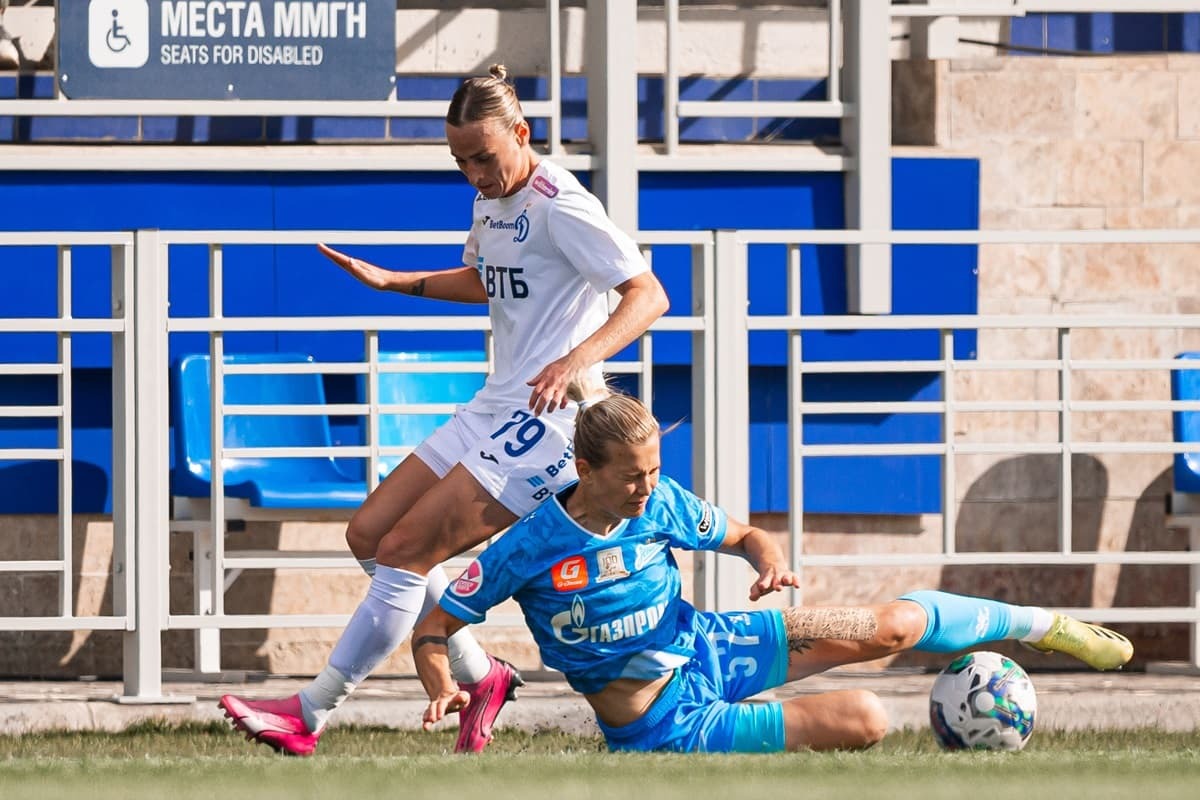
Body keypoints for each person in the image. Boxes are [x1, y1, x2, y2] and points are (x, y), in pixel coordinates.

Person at [218, 65, 670, 756]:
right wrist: (397, 281)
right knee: (369, 534)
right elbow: (491, 280)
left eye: (483, 158)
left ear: (522, 133)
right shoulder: (491, 202)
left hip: (550, 422)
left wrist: (574, 362)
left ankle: (309, 713)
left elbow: (646, 295)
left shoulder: (564, 205)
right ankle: (482, 676)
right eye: (459, 161)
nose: (472, 174)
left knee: (403, 551)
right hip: (498, 403)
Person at [413, 393, 1134, 753]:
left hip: (716, 643)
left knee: (892, 627)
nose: (647, 488)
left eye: (655, 471)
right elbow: (434, 627)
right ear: (585, 469)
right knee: (869, 718)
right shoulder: (527, 546)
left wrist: (772, 563)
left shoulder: (661, 502)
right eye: (632, 477)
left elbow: (748, 534)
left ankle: (1050, 628)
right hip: (670, 722)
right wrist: (445, 685)